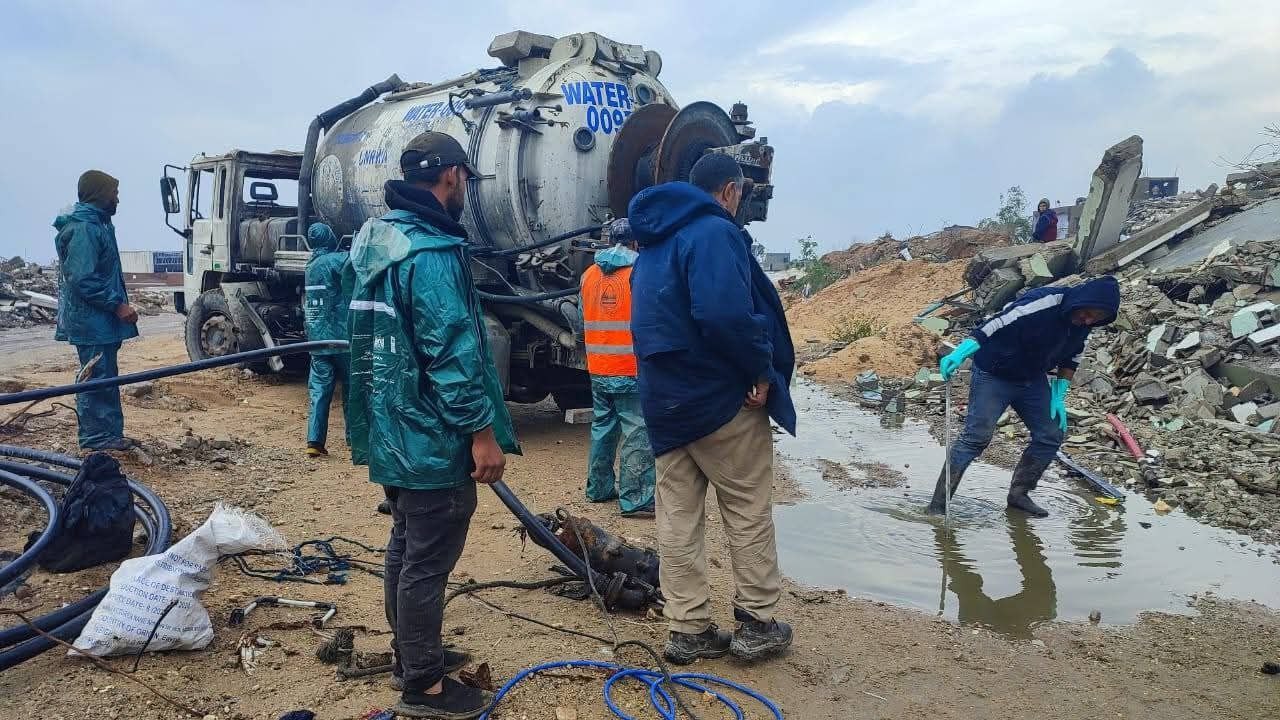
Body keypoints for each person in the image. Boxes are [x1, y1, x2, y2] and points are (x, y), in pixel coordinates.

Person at [345, 131, 519, 719]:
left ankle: (411, 655)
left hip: (393, 430)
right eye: (465, 177)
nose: (465, 187)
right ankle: (424, 685)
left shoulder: (377, 240)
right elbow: (452, 354)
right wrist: (481, 433)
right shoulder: (432, 252)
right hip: (432, 437)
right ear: (451, 175)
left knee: (405, 546)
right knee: (426, 560)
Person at [629, 153, 797, 665]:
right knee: (746, 507)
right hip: (720, 400)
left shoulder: (652, 242)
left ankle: (688, 630)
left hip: (665, 403)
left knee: (678, 518)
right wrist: (761, 371)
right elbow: (724, 314)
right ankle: (757, 623)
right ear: (729, 191)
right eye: (740, 194)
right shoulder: (714, 232)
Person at [929, 276, 1121, 518]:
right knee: (975, 438)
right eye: (1088, 313)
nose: (1089, 320)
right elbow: (996, 322)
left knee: (1051, 434)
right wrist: (962, 351)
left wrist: (1059, 394)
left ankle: (1019, 495)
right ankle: (938, 505)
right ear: (1080, 301)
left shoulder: (1084, 324)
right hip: (994, 374)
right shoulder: (1044, 302)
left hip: (1032, 379)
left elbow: (1073, 357)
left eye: (1096, 318)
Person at [53, 170, 139, 451]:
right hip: (92, 321)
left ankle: (108, 434)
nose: (117, 199)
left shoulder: (98, 224)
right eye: (114, 193)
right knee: (96, 377)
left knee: (104, 376)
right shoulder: (85, 229)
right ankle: (97, 438)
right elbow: (82, 279)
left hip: (99, 320)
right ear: (100, 194)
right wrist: (117, 305)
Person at [580, 220, 656, 518]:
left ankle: (598, 488)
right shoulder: (641, 272)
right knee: (637, 431)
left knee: (603, 427)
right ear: (636, 242)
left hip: (598, 367)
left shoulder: (589, 274)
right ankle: (635, 499)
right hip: (630, 367)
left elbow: (583, 316)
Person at [303, 222, 350, 458]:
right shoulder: (336, 260)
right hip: (341, 339)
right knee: (351, 389)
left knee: (319, 391)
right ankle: (354, 438)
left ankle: (314, 441)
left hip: (317, 340)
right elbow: (358, 262)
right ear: (329, 237)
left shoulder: (310, 265)